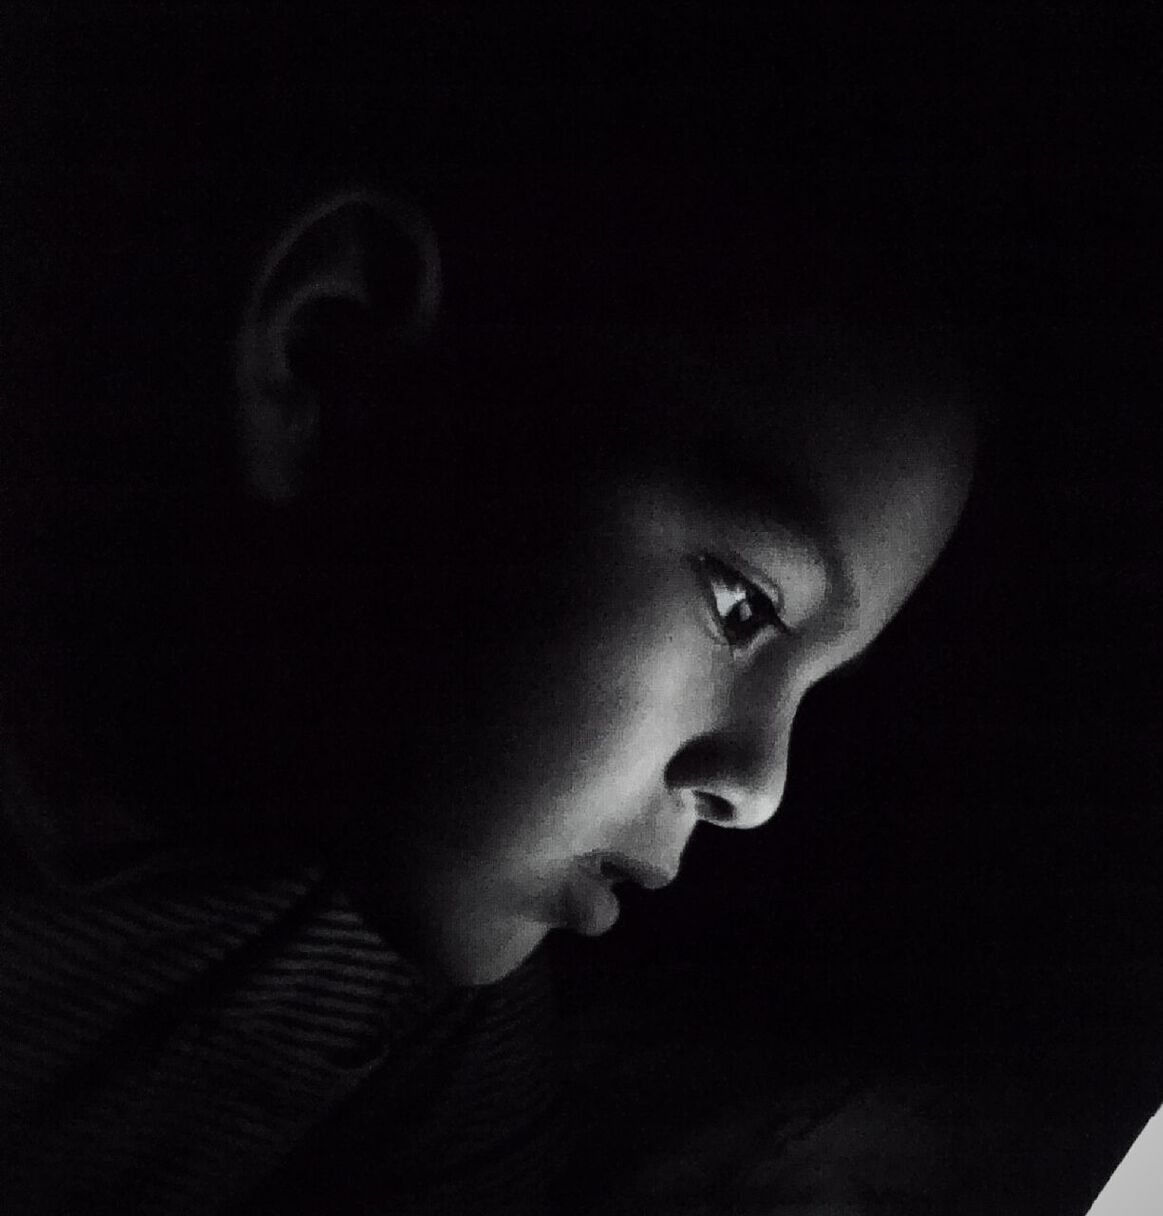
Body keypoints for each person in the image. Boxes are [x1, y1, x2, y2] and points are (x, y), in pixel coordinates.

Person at [0, 11, 978, 1214]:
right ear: (332, 358)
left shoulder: (417, 999)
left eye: (818, 688)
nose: (760, 786)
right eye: (742, 605)